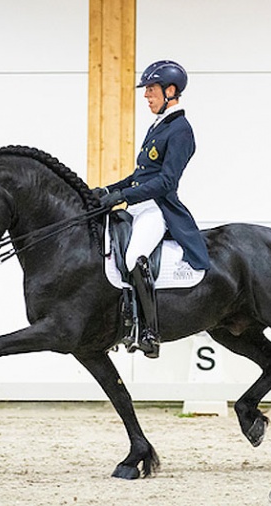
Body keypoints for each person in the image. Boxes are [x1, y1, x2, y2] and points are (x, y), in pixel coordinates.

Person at [97, 60, 210, 359]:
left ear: (170, 91)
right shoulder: (158, 126)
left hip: (158, 208)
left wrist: (124, 196)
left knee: (135, 256)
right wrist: (108, 191)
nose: (146, 96)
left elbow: (166, 181)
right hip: (140, 204)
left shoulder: (181, 130)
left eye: (151, 90)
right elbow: (140, 175)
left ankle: (149, 331)